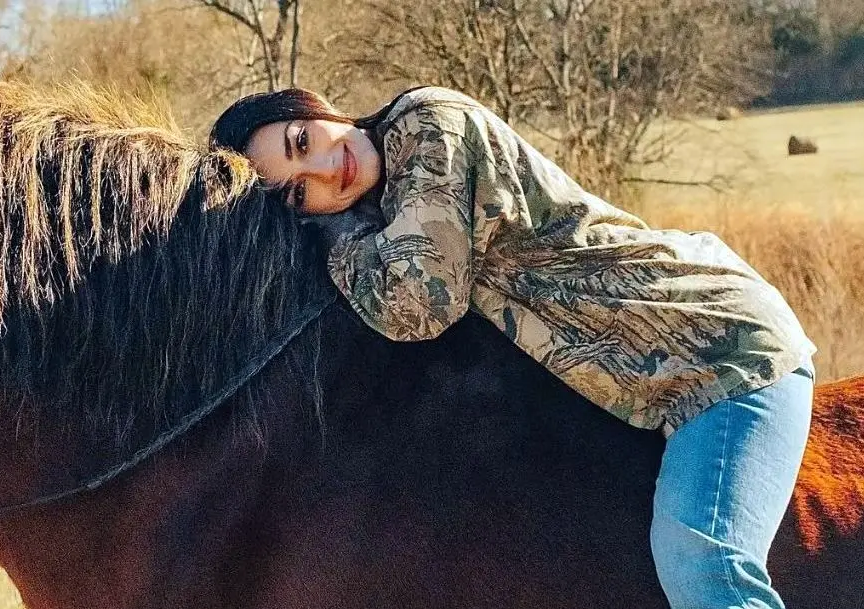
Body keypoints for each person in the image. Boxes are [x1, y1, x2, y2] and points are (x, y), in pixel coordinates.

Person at [210, 85, 817, 609]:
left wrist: (330, 236)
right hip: (653, 387)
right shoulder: (388, 212)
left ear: (315, 108)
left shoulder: (428, 125)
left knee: (703, 559)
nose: (323, 169)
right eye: (300, 194)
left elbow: (423, 302)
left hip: (720, 349)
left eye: (301, 141)